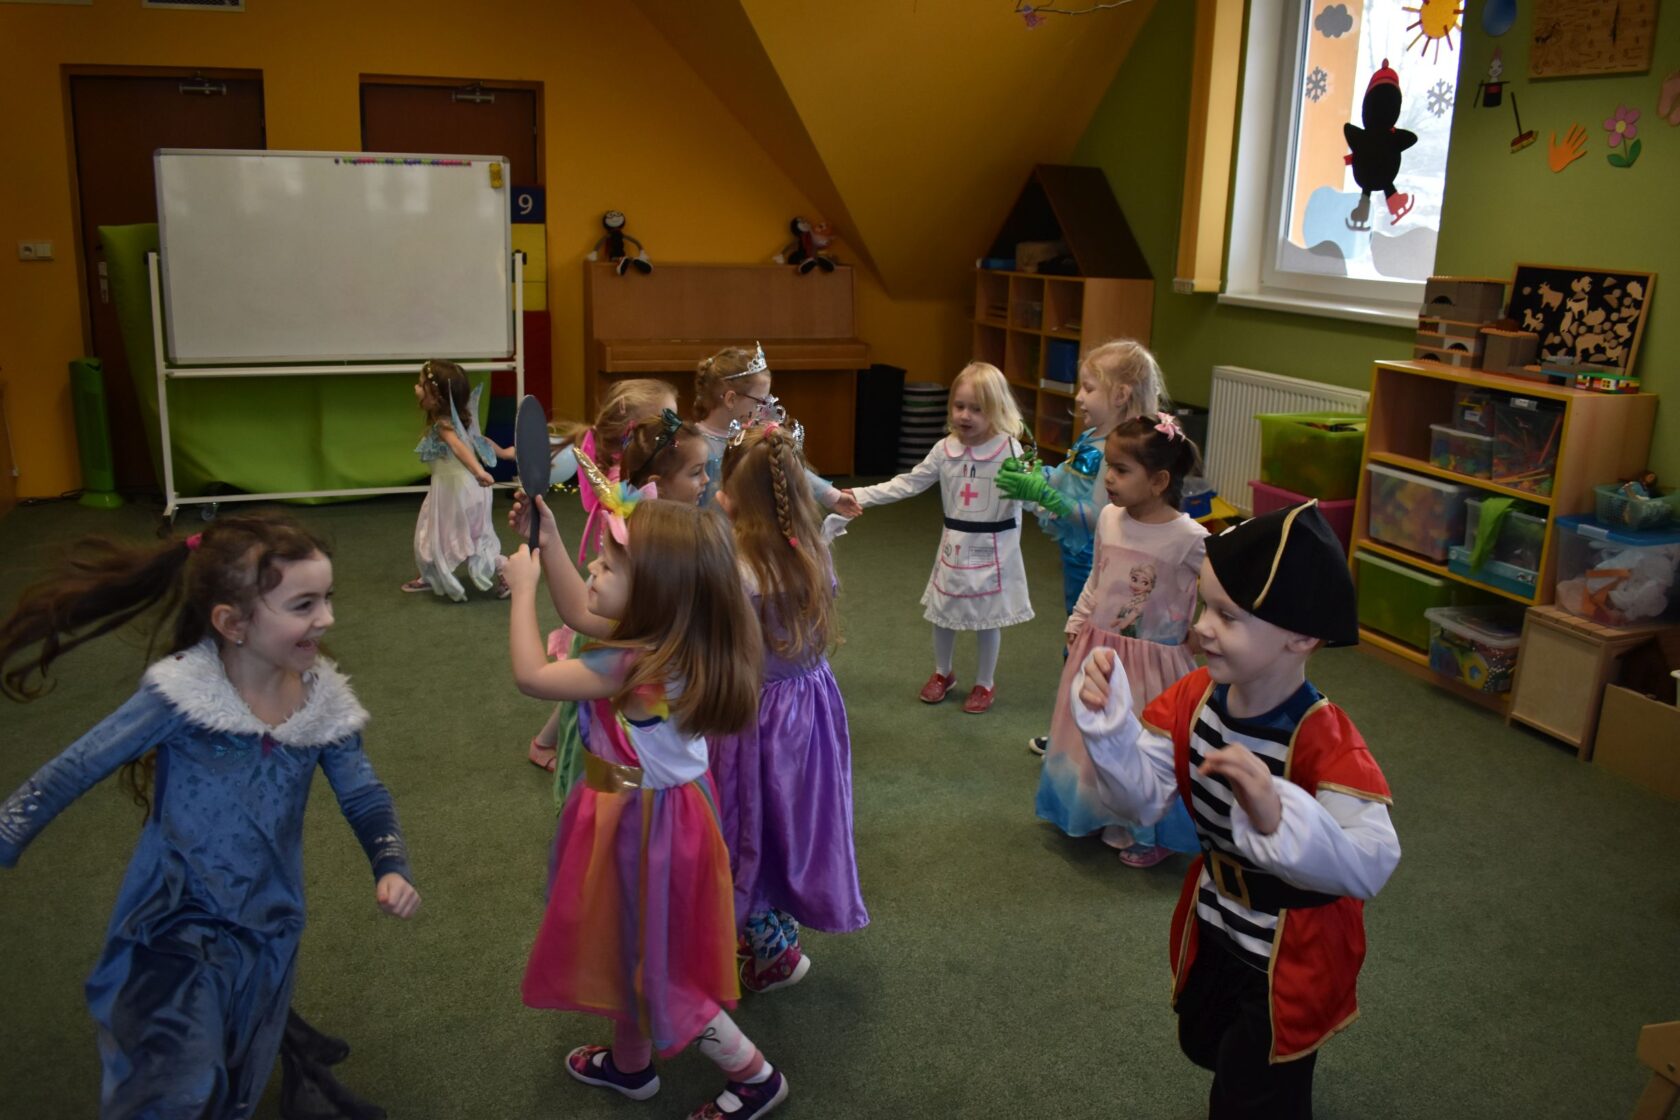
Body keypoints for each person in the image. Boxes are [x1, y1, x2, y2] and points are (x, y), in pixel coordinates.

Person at [0, 513, 419, 1120]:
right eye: (304, 605)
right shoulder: (181, 695)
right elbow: (72, 769)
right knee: (178, 1078)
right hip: (171, 921)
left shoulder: (324, 704)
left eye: (328, 598)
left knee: (235, 1062)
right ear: (232, 623)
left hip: (268, 922)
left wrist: (391, 864)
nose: (327, 618)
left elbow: (363, 795)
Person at [1071, 501, 1400, 1118]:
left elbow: (1372, 860)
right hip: (1216, 919)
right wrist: (1110, 728)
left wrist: (1280, 814)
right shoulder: (1195, 696)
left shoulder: (1326, 740)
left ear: (1301, 636)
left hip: (1291, 950)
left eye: (1228, 615)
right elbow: (1143, 797)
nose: (1201, 628)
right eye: (1204, 605)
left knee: (1258, 1091)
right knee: (1210, 1044)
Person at [507, 460, 789, 1120]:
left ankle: (755, 1078)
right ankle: (631, 1065)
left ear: (653, 593)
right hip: (652, 815)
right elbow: (580, 608)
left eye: (608, 564)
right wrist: (548, 539)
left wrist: (521, 589)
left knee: (660, 968)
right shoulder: (668, 635)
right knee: (630, 945)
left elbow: (531, 677)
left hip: (645, 827)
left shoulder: (630, 662)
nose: (594, 570)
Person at [708, 422, 868, 994]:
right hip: (811, 709)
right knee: (790, 820)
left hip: (755, 716)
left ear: (733, 502)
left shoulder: (738, 569)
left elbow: (726, 648)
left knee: (746, 822)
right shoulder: (812, 552)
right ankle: (777, 922)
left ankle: (770, 946)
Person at [1035, 413, 1206, 866]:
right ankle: (1095, 811)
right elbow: (1098, 576)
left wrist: (1204, 631)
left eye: (1122, 470)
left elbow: (1225, 588)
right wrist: (1079, 618)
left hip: (1154, 664)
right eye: (1109, 466)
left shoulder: (1189, 539)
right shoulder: (1110, 518)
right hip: (1099, 650)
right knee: (1089, 735)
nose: (1108, 478)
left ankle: (1149, 830)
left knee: (1144, 744)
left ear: (1159, 481)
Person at [843, 361, 1033, 714]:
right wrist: (860, 495)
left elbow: (1030, 495)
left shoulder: (1010, 450)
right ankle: (943, 672)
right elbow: (909, 482)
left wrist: (1059, 512)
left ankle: (985, 682)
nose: (965, 415)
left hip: (994, 550)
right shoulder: (945, 449)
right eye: (959, 406)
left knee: (988, 618)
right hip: (955, 547)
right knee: (943, 612)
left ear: (997, 409)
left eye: (977, 409)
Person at [526, 378, 678, 776]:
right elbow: (532, 676)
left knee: (591, 688)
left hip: (613, 600)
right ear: (637, 431)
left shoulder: (629, 481)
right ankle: (552, 747)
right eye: (667, 422)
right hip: (614, 604)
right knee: (588, 693)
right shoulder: (627, 492)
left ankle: (549, 744)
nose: (676, 432)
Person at [690, 343, 861, 518]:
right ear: (731, 399)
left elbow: (790, 469)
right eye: (760, 401)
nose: (765, 409)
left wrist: (833, 496)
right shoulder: (693, 445)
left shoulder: (754, 437)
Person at [402, 359, 516, 600]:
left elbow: (458, 447)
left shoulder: (445, 425)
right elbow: (478, 440)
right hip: (457, 489)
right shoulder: (458, 420)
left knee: (465, 538)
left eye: (421, 385)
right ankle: (431, 575)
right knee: (439, 532)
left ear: (436, 396)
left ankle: (505, 569)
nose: (415, 388)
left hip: (460, 491)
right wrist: (505, 453)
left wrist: (477, 471)